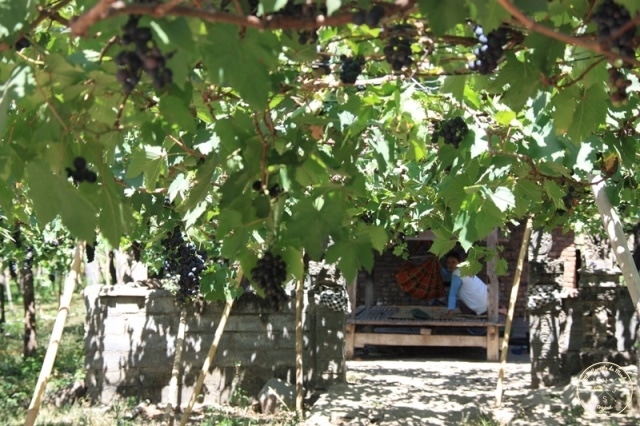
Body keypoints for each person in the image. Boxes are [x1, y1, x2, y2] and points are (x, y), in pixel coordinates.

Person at [441, 251, 488, 316]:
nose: (450, 265)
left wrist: (450, 312)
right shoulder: (467, 268)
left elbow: (452, 294)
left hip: (481, 308)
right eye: (448, 262)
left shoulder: (457, 274)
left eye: (453, 262)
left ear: (460, 262)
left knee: (462, 306)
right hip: (490, 302)